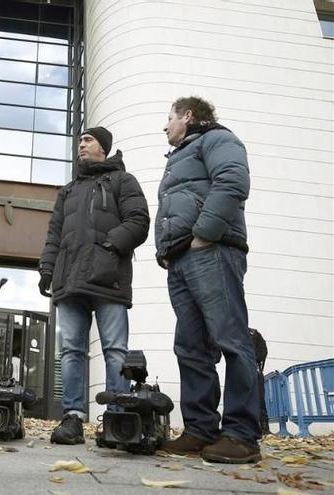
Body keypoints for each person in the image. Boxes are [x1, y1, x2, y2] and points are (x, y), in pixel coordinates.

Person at [157, 96, 260, 464]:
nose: (165, 126)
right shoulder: (179, 157)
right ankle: (201, 431)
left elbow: (232, 181)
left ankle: (242, 436)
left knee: (231, 339)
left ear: (187, 115)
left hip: (213, 252)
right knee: (191, 347)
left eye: (168, 118)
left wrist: (205, 234)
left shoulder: (217, 139)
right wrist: (167, 252)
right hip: (183, 259)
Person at [39, 126, 150, 445]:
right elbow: (54, 234)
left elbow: (138, 221)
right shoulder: (69, 190)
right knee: (72, 350)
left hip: (108, 276)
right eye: (79, 142)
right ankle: (73, 418)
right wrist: (47, 267)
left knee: (115, 349)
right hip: (69, 279)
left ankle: (118, 418)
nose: (81, 146)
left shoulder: (122, 181)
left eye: (87, 141)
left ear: (103, 147)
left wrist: (108, 246)